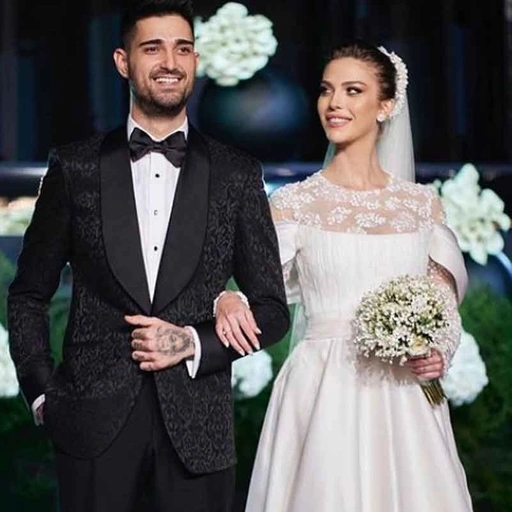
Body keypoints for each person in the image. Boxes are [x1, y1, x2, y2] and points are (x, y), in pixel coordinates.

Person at [7, 1, 290, 510]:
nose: (170, 63)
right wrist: (43, 391)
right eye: (153, 48)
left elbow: (271, 309)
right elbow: (28, 294)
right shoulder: (75, 168)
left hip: (199, 432)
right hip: (91, 427)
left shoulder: (236, 173)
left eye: (182, 49)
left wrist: (194, 342)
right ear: (123, 61)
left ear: (195, 60)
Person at [214, 41, 474, 511]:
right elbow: (255, 290)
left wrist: (439, 352)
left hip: (404, 397)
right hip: (321, 391)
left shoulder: (420, 206)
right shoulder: (294, 203)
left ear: (386, 105)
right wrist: (226, 298)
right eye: (326, 90)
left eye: (353, 91)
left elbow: (442, 308)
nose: (334, 103)